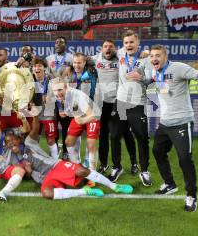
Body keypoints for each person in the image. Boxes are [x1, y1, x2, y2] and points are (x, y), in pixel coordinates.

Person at [10, 113, 133, 199]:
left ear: (19, 139)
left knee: (82, 171)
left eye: (12, 140)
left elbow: (35, 129)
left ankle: (115, 186)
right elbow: (30, 176)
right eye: (7, 143)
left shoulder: (28, 143)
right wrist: (31, 173)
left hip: (56, 166)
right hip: (47, 177)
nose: (10, 144)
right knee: (47, 193)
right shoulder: (15, 161)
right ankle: (84, 192)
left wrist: (35, 116)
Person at [149, 45, 198, 212]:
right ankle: (170, 184)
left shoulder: (178, 67)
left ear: (165, 56)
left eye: (158, 55)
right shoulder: (154, 71)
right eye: (152, 56)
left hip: (182, 122)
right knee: (157, 151)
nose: (154, 58)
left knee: (185, 159)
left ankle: (191, 195)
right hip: (164, 123)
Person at [91, 40, 138, 180]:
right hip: (102, 103)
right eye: (105, 46)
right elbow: (81, 60)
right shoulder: (95, 58)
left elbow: (134, 53)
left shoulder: (121, 57)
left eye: (111, 46)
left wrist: (144, 53)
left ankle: (132, 162)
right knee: (103, 134)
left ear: (115, 49)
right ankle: (104, 163)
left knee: (123, 134)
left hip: (119, 102)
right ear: (102, 49)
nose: (108, 48)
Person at [116, 30, 152, 187]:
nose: (129, 45)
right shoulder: (120, 54)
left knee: (142, 137)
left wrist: (141, 78)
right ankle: (120, 166)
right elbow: (106, 52)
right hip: (121, 102)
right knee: (117, 135)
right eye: (126, 43)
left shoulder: (146, 59)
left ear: (138, 43)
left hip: (138, 103)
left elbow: (152, 78)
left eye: (131, 42)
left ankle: (144, 171)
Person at [50, 77, 101, 173]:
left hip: (92, 116)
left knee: (90, 144)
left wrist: (81, 121)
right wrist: (64, 112)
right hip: (79, 116)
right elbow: (64, 111)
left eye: (60, 89)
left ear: (66, 87)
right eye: (55, 90)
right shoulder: (58, 96)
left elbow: (93, 115)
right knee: (68, 142)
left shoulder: (77, 96)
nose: (57, 93)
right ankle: (77, 168)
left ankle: (93, 173)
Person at [31, 57, 58, 159]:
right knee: (34, 139)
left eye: (39, 66)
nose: (37, 68)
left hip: (48, 114)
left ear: (44, 68)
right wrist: (31, 103)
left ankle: (55, 162)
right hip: (36, 115)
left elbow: (60, 94)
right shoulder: (29, 79)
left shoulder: (51, 79)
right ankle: (36, 161)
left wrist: (52, 97)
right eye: (34, 66)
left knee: (50, 140)